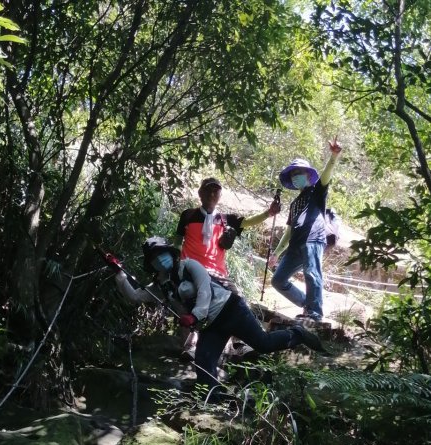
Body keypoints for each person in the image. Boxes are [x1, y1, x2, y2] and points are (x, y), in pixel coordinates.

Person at [107, 237, 329, 397]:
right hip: (211, 326)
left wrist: (194, 316)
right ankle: (214, 400)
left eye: (161, 254)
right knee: (203, 363)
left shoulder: (190, 266)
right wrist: (119, 274)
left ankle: (296, 333)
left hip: (231, 310)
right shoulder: (161, 285)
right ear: (151, 264)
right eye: (154, 259)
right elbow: (135, 296)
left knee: (263, 343)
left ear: (170, 253)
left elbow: (205, 291)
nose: (159, 260)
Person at [175, 177, 281, 357]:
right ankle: (191, 346)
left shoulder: (224, 219)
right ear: (200, 193)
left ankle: (239, 344)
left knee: (237, 300)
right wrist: (177, 266)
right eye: (208, 190)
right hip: (191, 270)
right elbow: (177, 243)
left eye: (215, 191)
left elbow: (247, 222)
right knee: (193, 303)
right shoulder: (188, 215)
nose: (211, 194)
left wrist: (268, 213)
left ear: (220, 195)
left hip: (218, 274)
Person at [269, 138, 342, 322]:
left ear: (308, 175)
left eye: (299, 173)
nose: (296, 177)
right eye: (293, 174)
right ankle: (307, 304)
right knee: (278, 280)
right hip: (295, 245)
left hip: (313, 239)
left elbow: (326, 176)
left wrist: (333, 156)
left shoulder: (316, 191)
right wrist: (277, 253)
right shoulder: (294, 204)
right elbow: (288, 231)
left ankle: (315, 313)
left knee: (312, 273)